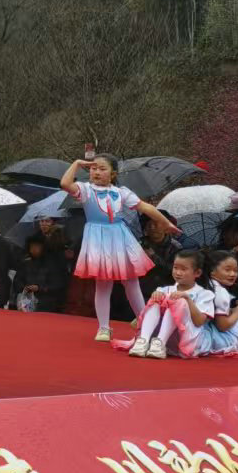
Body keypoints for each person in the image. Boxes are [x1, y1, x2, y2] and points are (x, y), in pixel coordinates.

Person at [60, 153, 177, 343]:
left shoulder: (121, 192)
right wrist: (76, 163)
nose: (96, 172)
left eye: (102, 169)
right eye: (93, 168)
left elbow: (146, 207)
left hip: (120, 237)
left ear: (113, 173)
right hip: (98, 239)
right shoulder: (86, 190)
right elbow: (65, 183)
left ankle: (144, 320)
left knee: (131, 281)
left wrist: (165, 223)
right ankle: (104, 327)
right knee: (103, 284)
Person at [125, 248, 208, 358]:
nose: (178, 272)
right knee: (156, 299)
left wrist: (187, 300)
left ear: (197, 273)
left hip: (186, 339)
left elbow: (199, 322)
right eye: (175, 268)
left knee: (178, 302)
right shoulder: (164, 290)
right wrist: (156, 295)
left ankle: (160, 342)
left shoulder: (205, 294)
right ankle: (143, 340)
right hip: (163, 338)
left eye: (183, 269)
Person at [13, 235, 69, 312]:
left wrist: (39, 288)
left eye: (37, 246)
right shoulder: (25, 263)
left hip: (46, 306)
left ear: (43, 247)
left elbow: (57, 285)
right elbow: (17, 281)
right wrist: (25, 287)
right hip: (26, 304)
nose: (34, 249)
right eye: (32, 246)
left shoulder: (52, 264)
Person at [140, 214, 181, 293]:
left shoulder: (175, 247)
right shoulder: (139, 245)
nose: (152, 227)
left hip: (167, 290)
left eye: (155, 224)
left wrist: (153, 256)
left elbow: (173, 270)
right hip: (143, 290)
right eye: (149, 225)